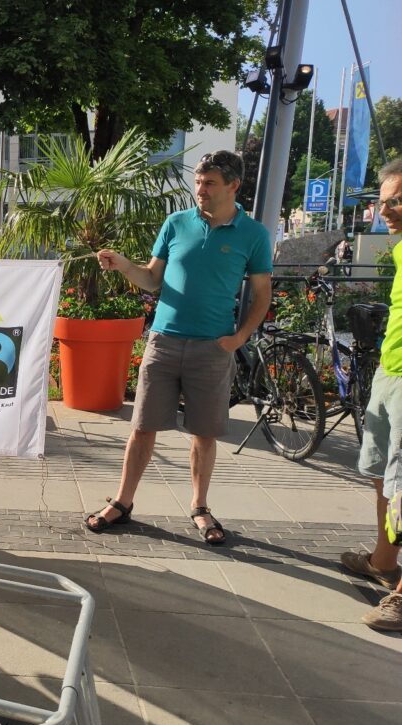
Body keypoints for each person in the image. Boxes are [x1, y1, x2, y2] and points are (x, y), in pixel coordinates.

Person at [92, 150, 272, 545]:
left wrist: (239, 338)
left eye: (209, 183)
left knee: (204, 434)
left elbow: (262, 294)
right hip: (164, 341)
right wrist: (124, 265)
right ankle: (122, 503)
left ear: (233, 186)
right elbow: (153, 279)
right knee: (141, 428)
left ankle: (200, 507)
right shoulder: (176, 223)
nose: (200, 190)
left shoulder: (253, 234)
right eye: (197, 182)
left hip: (213, 348)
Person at [340, 159, 402, 631]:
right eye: (383, 203)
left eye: (396, 201)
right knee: (380, 472)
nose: (387, 211)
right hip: (389, 371)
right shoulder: (400, 250)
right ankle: (383, 560)